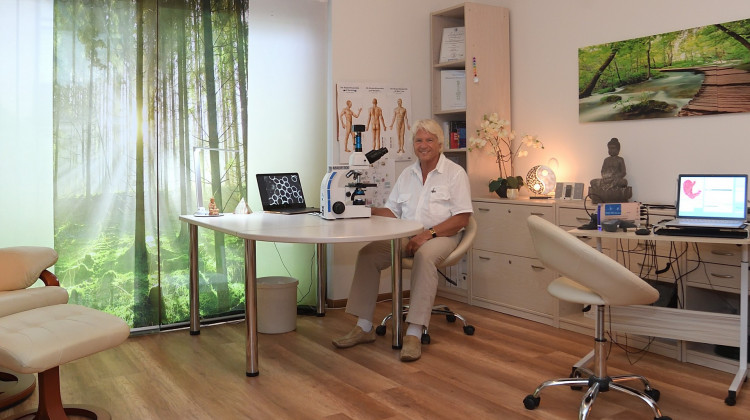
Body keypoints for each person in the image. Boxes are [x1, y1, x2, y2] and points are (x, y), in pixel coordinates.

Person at [332, 119, 473, 362]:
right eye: (418, 140)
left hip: (442, 234)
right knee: (368, 254)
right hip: (408, 234)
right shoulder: (407, 174)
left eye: (429, 140)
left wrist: (427, 235)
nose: (423, 145)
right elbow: (393, 212)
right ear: (413, 145)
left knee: (425, 256)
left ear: (440, 144)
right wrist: (365, 210)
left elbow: (462, 218)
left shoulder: (455, 174)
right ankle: (364, 326)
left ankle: (414, 333)